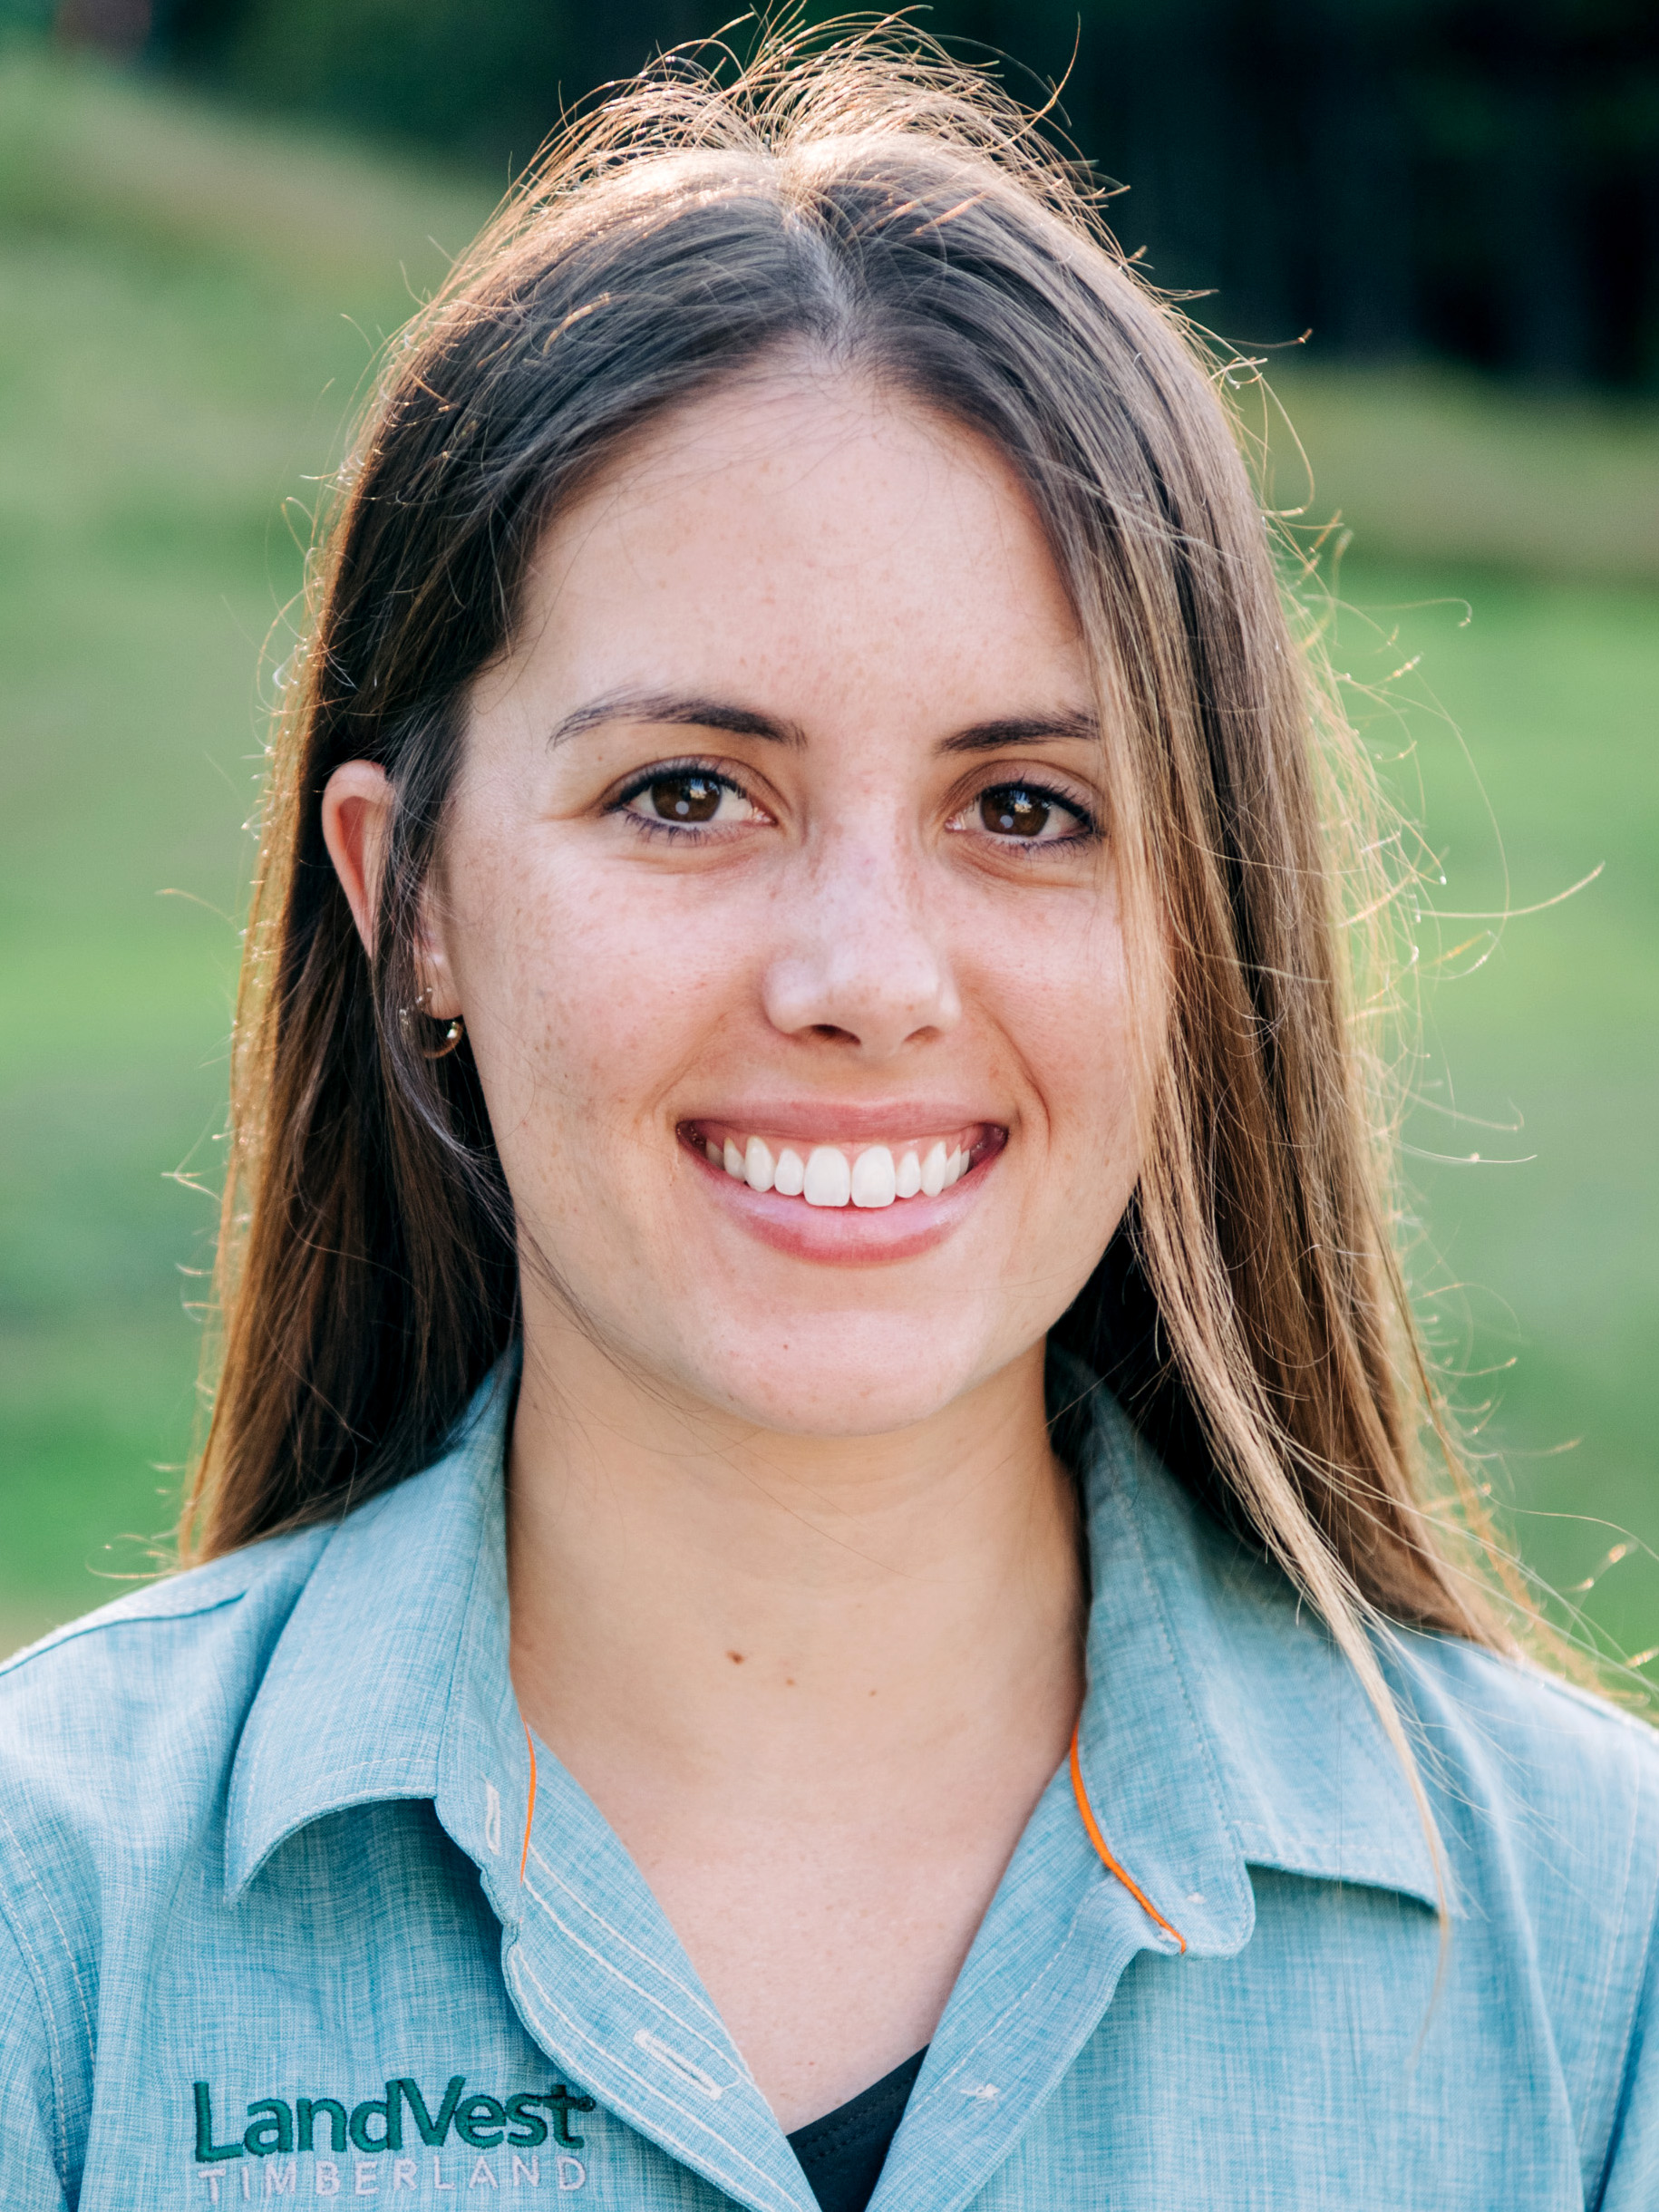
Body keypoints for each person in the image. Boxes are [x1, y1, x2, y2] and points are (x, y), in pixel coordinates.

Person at [2, 31, 1654, 2212]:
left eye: (1028, 807)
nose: (865, 975)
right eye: (687, 791)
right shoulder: (53, 1919)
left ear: (1205, 922)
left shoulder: (1602, 1963)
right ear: (414, 905)